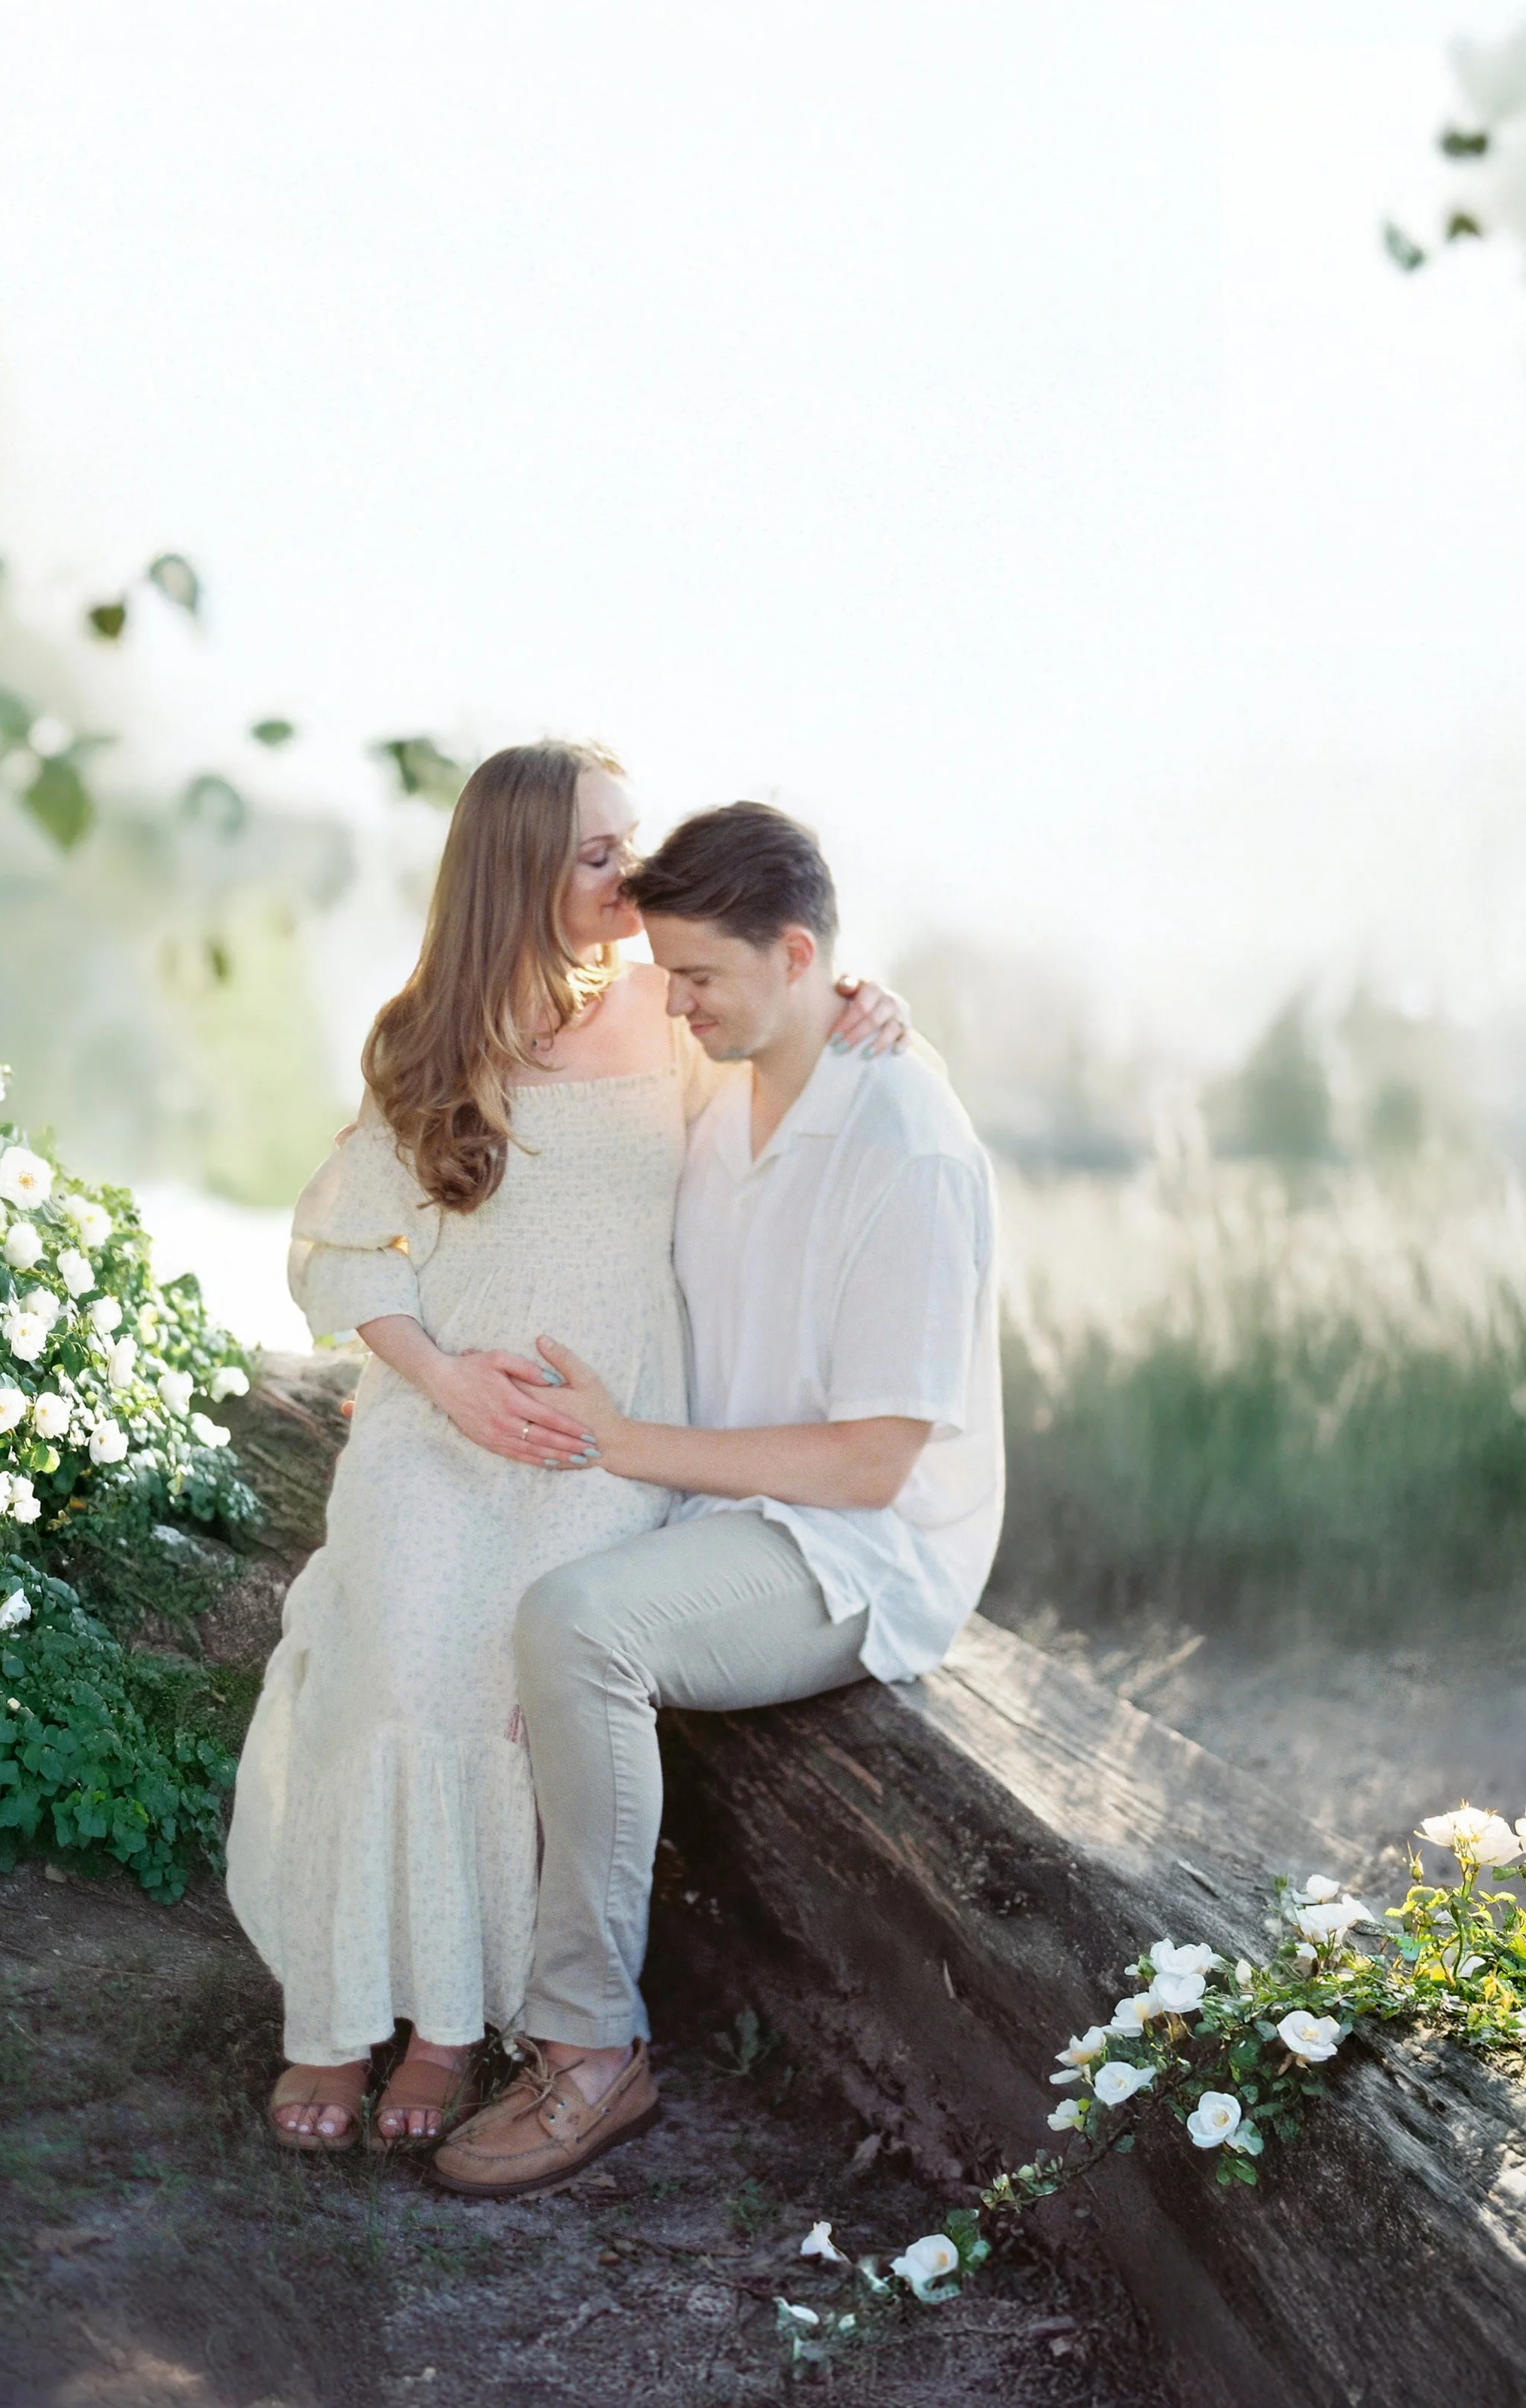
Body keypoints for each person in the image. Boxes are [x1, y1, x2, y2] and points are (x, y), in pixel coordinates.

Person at [225, 747, 904, 2153]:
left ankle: (454, 2026)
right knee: (398, 1654)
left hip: (608, 1426)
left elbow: (804, 1021)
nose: (635, 873)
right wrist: (446, 1385)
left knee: (511, 1678)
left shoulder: (675, 1005)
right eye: (602, 852)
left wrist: (881, 1006)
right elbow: (348, 1256)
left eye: (630, 842)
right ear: (517, 868)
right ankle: (337, 2017)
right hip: (444, 1410)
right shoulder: (427, 1030)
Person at [430, 800, 1002, 2199]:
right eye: (666, 973)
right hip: (721, 1510)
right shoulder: (729, 1080)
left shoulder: (907, 1147)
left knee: (576, 1628)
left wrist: (627, 1448)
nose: (671, 1003)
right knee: (484, 1604)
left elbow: (876, 1462)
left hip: (859, 1549)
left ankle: (589, 2050)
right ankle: (434, 1997)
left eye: (700, 978)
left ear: (799, 953)